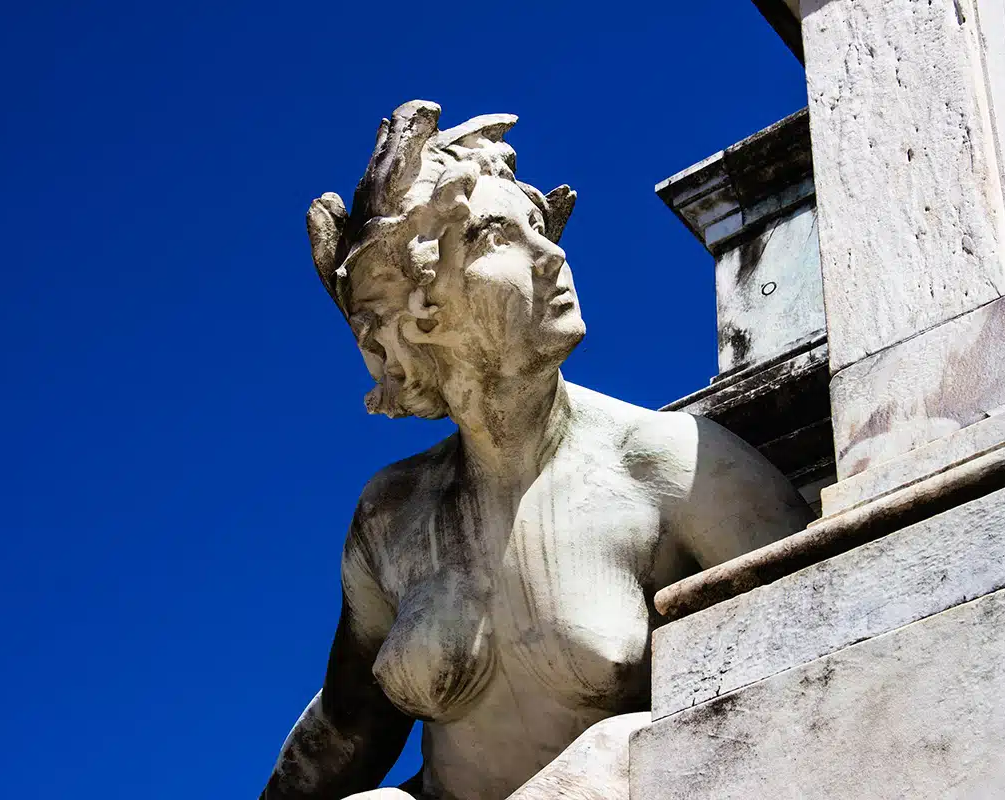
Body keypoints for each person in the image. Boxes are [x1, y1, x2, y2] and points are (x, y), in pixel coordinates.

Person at [261, 100, 811, 800]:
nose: (552, 257)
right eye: (498, 236)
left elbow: (816, 654)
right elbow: (347, 727)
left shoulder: (677, 464)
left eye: (538, 228)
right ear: (418, 308)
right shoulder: (391, 517)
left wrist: (619, 752)